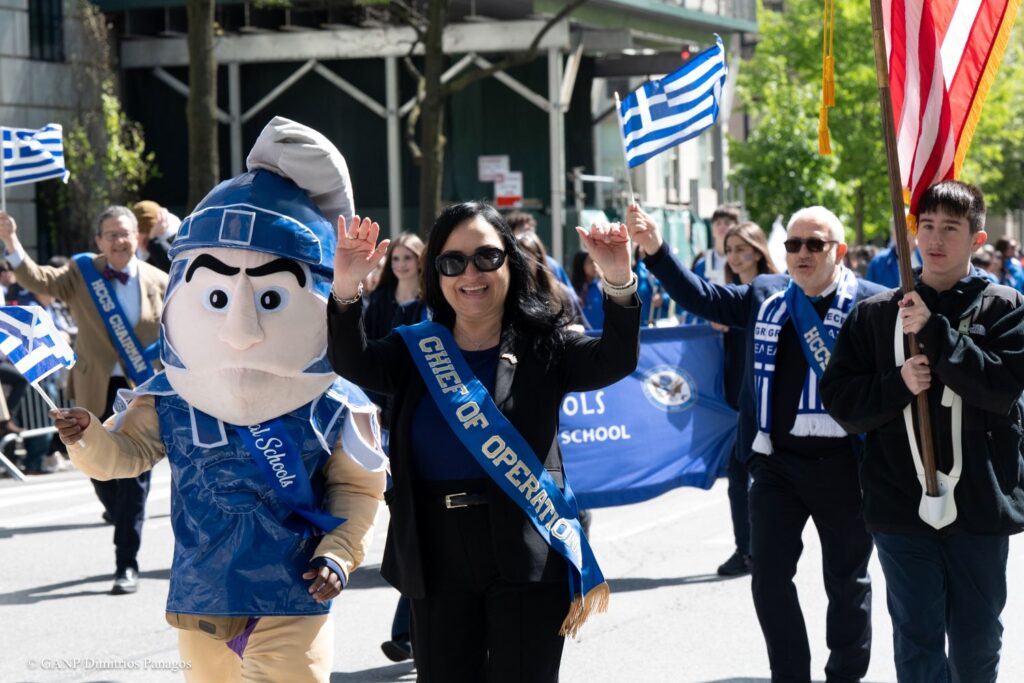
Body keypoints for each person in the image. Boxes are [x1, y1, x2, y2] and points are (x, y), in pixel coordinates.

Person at [52, 117, 386, 683]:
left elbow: (357, 489)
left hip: (295, 593)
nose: (241, 327)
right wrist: (88, 437)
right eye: (216, 295)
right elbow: (125, 456)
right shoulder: (172, 395)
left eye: (271, 297)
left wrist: (338, 551)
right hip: (203, 595)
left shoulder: (335, 404)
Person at [327, 203, 640, 682]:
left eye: (486, 257)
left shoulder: (545, 345)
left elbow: (615, 358)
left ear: (510, 263)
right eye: (452, 262)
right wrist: (346, 287)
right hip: (435, 552)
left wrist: (617, 280)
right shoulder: (412, 349)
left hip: (526, 546)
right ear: (437, 275)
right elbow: (352, 360)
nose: (470, 274)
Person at [628, 203, 883, 683]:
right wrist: (655, 249)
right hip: (775, 465)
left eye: (815, 244)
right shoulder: (767, 294)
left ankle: (845, 674)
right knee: (767, 577)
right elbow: (701, 295)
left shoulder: (874, 303)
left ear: (840, 251)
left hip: (845, 465)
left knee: (847, 581)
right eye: (793, 244)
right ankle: (790, 675)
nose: (802, 252)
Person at [821, 180, 1024, 683]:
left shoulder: (1006, 306)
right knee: (917, 644)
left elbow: (1000, 388)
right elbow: (842, 403)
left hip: (980, 508)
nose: (934, 239)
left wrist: (934, 331)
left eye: (950, 228)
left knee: (977, 644)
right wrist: (897, 384)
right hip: (899, 508)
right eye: (926, 225)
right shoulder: (874, 314)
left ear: (977, 239)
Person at [0, 205, 167, 595]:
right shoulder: (82, 273)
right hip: (93, 389)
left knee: (136, 478)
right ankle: (115, 509)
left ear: (136, 237)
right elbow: (38, 278)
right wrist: (11, 240)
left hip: (140, 391)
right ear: (99, 241)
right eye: (111, 235)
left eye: (124, 233)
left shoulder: (160, 280)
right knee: (95, 467)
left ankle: (126, 563)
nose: (118, 241)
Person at [716, 222, 779, 577]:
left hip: (770, 402)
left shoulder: (773, 291)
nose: (735, 257)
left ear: (757, 250)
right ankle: (753, 549)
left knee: (745, 474)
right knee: (743, 474)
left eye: (741, 249)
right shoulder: (728, 296)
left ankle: (752, 550)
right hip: (743, 402)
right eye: (729, 249)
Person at [364, 232, 426, 341]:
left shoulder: (431, 300)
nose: (401, 264)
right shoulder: (377, 299)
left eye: (407, 258)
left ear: (420, 260)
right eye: (396, 259)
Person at [516, 230, 584, 327]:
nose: (521, 264)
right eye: (517, 259)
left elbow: (575, 326)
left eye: (526, 259)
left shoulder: (561, 294)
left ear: (538, 259)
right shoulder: (508, 294)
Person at [506, 209, 572, 288]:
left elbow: (570, 293)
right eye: (522, 230)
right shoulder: (505, 264)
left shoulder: (552, 265)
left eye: (530, 231)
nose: (528, 236)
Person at [132, 200, 181, 272]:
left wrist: (153, 243)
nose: (138, 238)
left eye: (145, 233)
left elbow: (174, 271)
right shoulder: (133, 247)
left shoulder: (178, 241)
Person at [571, 250, 604, 330]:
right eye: (590, 262)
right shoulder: (573, 290)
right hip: (583, 335)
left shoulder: (602, 287)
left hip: (602, 334)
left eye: (596, 261)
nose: (595, 265)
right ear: (581, 264)